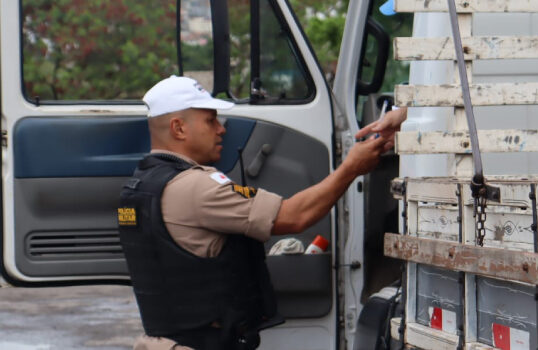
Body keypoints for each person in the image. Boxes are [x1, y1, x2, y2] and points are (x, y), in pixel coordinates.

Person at [118, 75, 396, 350]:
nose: (221, 129)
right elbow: (294, 216)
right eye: (210, 120)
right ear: (179, 128)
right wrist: (351, 168)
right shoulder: (195, 187)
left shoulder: (140, 185)